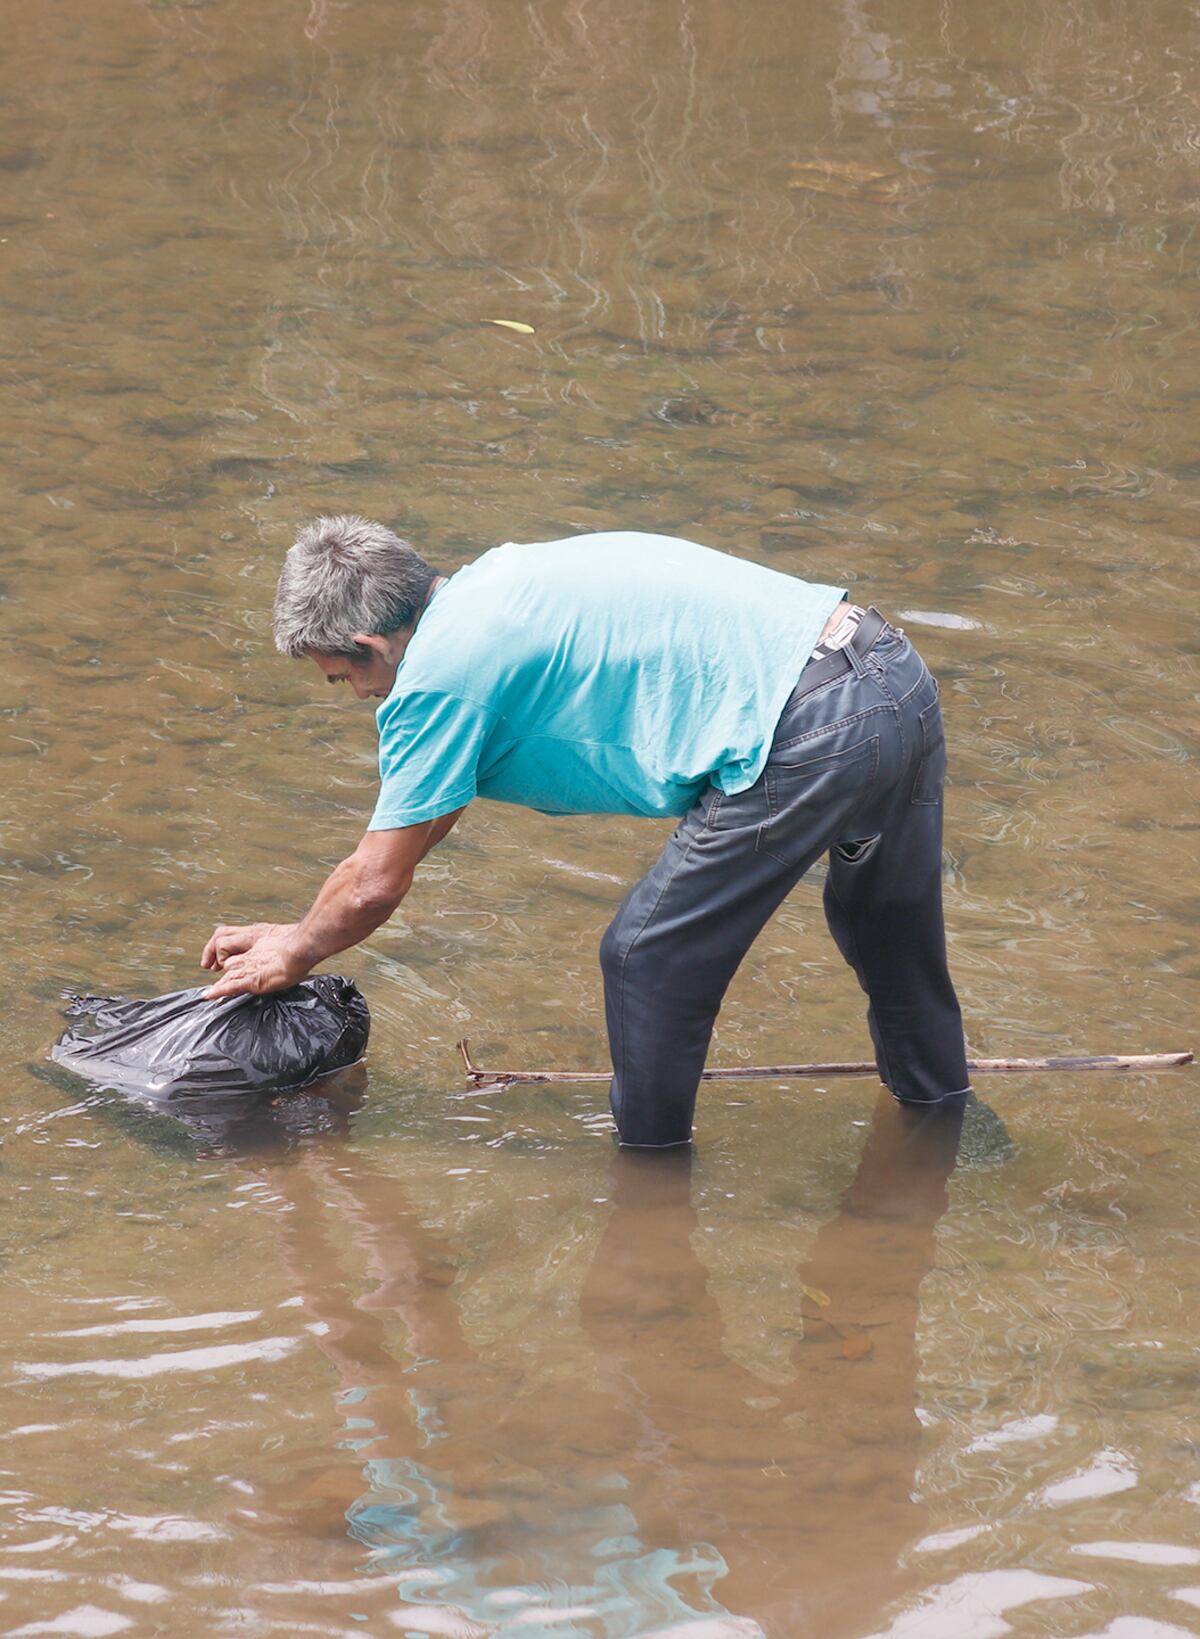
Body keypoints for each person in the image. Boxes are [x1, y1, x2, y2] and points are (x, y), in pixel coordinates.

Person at [201, 517, 970, 1146]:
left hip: (809, 726)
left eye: (345, 679)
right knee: (884, 928)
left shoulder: (436, 673)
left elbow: (376, 881)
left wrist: (300, 950)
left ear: (371, 645)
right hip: (889, 671)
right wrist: (304, 930)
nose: (359, 697)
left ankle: (649, 1198)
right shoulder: (499, 582)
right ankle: (947, 1136)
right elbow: (419, 820)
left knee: (645, 956)